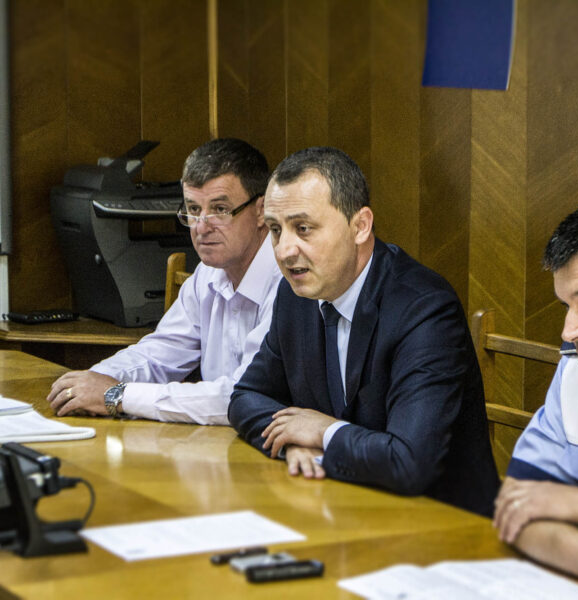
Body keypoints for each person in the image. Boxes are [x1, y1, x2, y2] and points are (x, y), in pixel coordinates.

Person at [228, 146, 499, 517]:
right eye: (276, 230)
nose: (285, 250)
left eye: (303, 228)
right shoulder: (296, 295)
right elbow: (245, 397)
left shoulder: (424, 307)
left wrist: (324, 433)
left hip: (440, 523)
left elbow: (409, 462)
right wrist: (291, 441)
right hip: (341, 507)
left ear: (360, 226)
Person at [47, 138, 281, 424]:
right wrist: (92, 381)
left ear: (261, 210)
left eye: (220, 209)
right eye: (193, 209)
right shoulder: (207, 275)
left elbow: (242, 396)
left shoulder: (288, 282)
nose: (201, 227)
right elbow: (158, 355)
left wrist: (116, 395)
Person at [494, 199, 578, 580]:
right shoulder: (574, 370)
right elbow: (513, 509)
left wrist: (574, 503)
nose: (569, 331)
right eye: (566, 306)